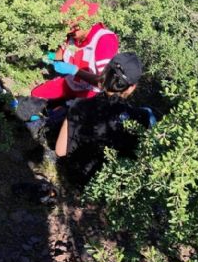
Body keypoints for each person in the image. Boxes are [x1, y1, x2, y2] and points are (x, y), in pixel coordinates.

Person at [54, 52, 156, 185]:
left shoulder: (78, 105)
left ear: (105, 73)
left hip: (75, 179)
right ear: (131, 88)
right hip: (111, 188)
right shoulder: (141, 118)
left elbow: (60, 151)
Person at [30, 0, 119, 102]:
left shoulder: (104, 39)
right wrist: (48, 55)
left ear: (85, 21)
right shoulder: (73, 36)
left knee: (69, 114)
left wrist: (75, 71)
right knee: (35, 95)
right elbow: (62, 54)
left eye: (72, 28)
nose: (69, 31)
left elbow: (105, 83)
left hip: (92, 93)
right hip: (71, 83)